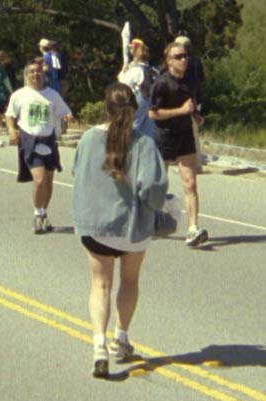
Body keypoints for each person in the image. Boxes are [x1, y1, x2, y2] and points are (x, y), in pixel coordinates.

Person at [72, 82, 168, 378]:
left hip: (96, 226)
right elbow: (152, 188)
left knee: (100, 285)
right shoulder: (144, 144)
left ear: (106, 107)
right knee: (129, 281)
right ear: (134, 109)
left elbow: (78, 173)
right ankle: (121, 339)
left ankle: (99, 346)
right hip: (132, 228)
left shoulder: (88, 138)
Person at [148, 42, 209, 247]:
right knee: (159, 183)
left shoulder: (190, 80)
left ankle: (193, 229)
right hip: (165, 135)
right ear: (169, 60)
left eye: (185, 56)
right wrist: (181, 111)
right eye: (178, 57)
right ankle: (149, 220)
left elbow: (189, 103)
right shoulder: (161, 83)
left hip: (185, 134)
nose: (184, 60)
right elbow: (152, 113)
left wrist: (195, 115)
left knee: (190, 183)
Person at [5, 59, 72, 233]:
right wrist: (12, 130)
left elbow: (64, 111)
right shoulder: (19, 95)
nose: (35, 74)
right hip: (29, 139)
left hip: (48, 138)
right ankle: (37, 213)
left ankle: (44, 213)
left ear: (43, 74)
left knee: (49, 180)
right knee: (39, 179)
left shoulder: (51, 94)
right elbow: (10, 115)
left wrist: (66, 118)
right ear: (26, 75)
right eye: (31, 72)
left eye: (38, 71)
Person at [174, 35, 205, 171]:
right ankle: (191, 162)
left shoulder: (185, 63)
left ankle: (194, 164)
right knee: (192, 132)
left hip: (188, 100)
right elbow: (201, 81)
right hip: (195, 98)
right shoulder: (197, 62)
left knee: (189, 132)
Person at [118, 38, 157, 138]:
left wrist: (122, 73)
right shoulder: (154, 71)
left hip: (138, 105)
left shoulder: (135, 70)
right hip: (152, 106)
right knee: (148, 133)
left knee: (133, 130)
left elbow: (122, 86)